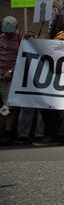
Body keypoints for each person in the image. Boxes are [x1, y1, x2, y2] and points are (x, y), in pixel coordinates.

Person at [32, 15, 64, 146]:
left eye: (54, 22)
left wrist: (37, 42)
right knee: (48, 105)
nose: (51, 24)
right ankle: (53, 133)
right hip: (54, 73)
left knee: (51, 106)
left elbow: (53, 45)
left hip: (60, 74)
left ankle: (54, 134)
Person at [0, 16, 22, 146]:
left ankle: (8, 132)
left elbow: (22, 57)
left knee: (10, 106)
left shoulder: (20, 40)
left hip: (11, 77)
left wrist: (11, 71)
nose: (8, 34)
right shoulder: (1, 39)